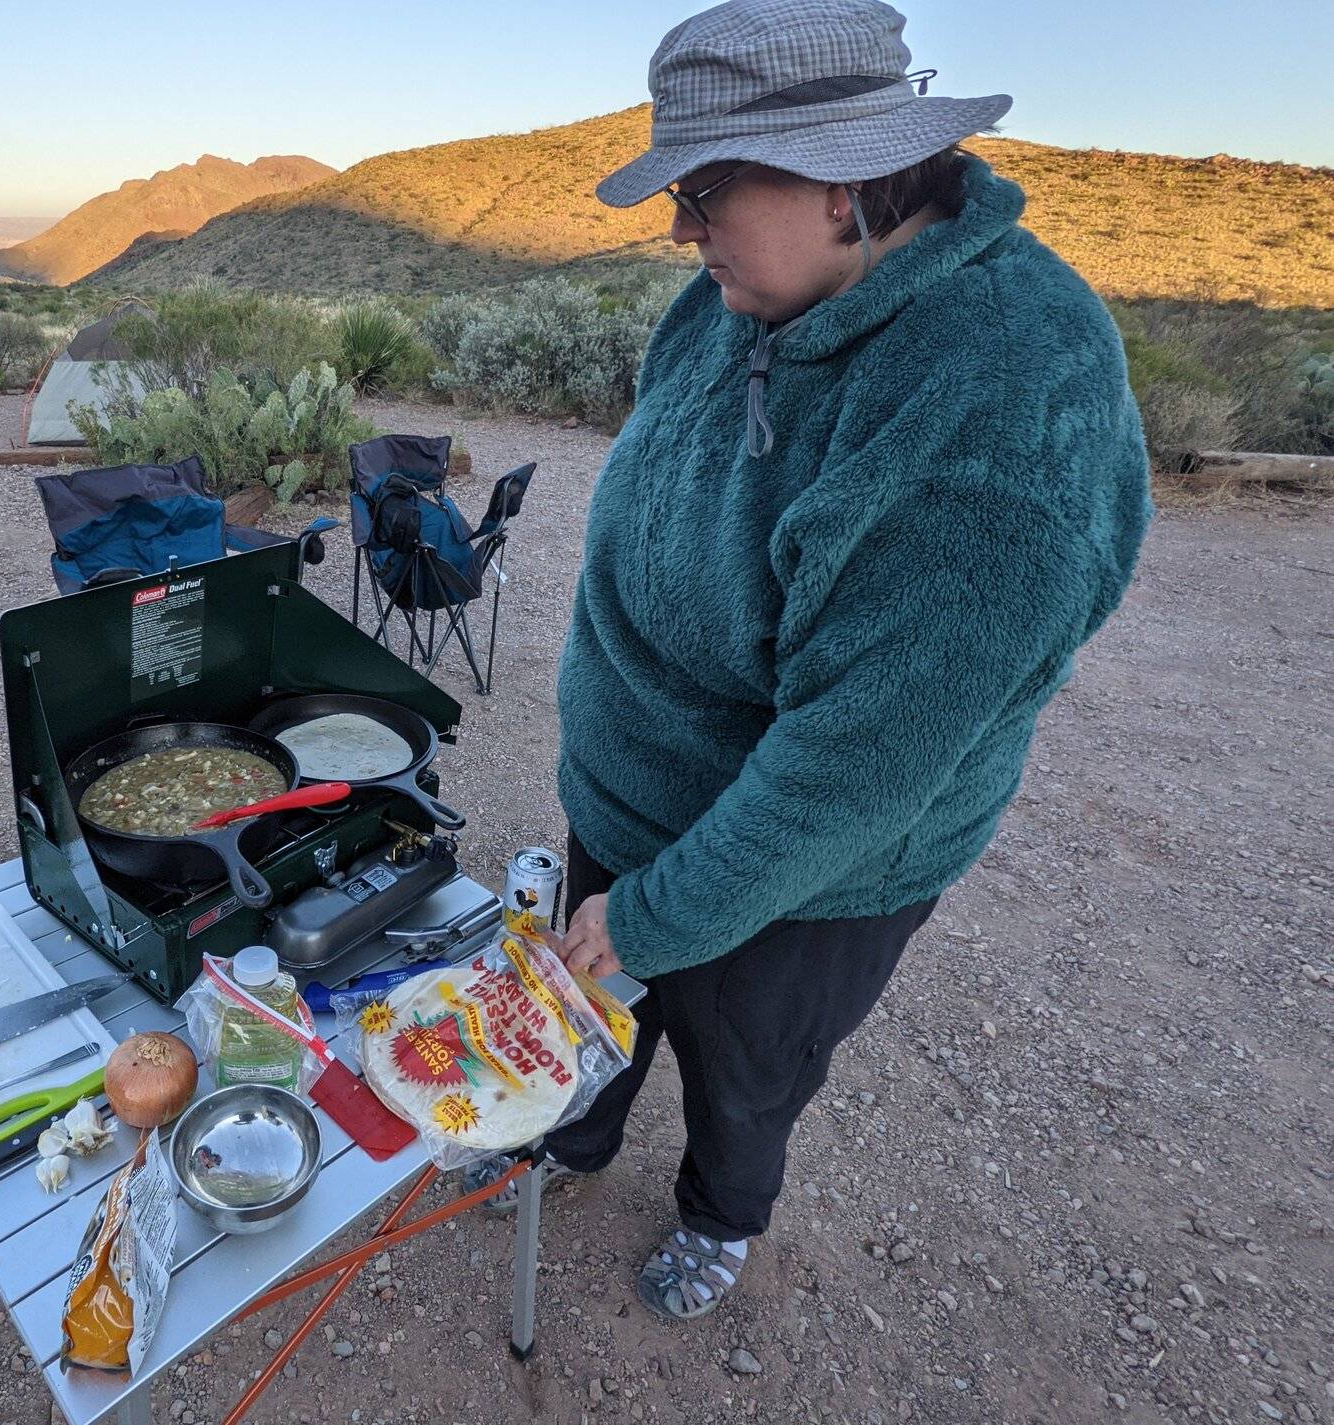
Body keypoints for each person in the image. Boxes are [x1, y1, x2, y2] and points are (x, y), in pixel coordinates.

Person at [465, 0, 1152, 1324]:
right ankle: (573, 1136)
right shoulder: (736, 293)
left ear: (847, 177)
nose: (680, 227)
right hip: (630, 795)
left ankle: (723, 1213)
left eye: (708, 189)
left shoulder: (1004, 397)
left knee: (750, 1057)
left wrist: (660, 915)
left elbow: (854, 766)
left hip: (813, 868)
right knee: (589, 1010)